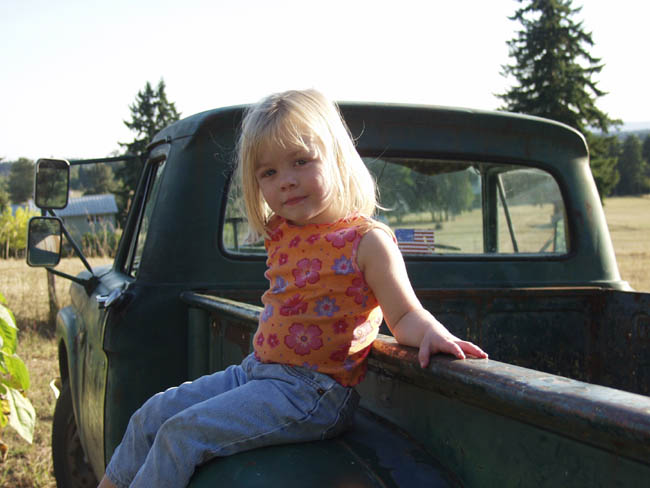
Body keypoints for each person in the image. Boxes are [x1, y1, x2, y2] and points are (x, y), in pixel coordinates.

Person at [98, 89, 487, 488]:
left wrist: (432, 332)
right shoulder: (281, 231)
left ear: (336, 157)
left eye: (300, 161)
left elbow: (403, 315)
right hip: (257, 372)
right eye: (268, 173)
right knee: (152, 413)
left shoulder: (367, 242)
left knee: (181, 434)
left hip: (313, 393)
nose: (286, 181)